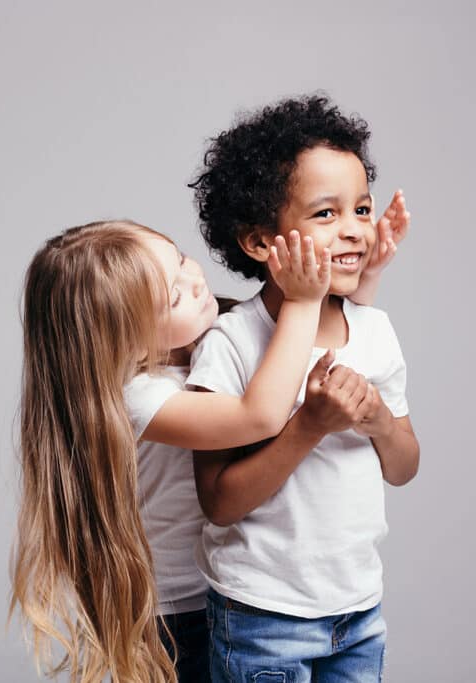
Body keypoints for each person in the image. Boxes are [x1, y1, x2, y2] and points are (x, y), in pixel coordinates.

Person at [11, 219, 330, 683]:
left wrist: (364, 276)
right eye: (174, 297)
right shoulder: (138, 397)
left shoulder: (211, 342)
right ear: (127, 338)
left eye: (181, 260)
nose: (195, 281)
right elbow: (260, 416)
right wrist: (303, 301)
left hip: (239, 587)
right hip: (180, 612)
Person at [186, 94, 420, 682]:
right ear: (261, 242)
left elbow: (403, 467)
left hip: (358, 608)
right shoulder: (232, 342)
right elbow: (219, 503)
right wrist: (309, 427)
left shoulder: (374, 330)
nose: (354, 231)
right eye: (325, 214)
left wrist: (378, 422)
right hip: (262, 615)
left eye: (361, 209)